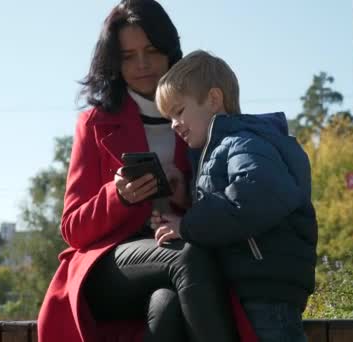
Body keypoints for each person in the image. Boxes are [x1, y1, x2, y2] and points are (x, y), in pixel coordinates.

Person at [37, 2, 256, 342]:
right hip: (110, 269)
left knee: (166, 305)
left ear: (170, 52)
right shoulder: (94, 124)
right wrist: (118, 194)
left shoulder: (204, 113)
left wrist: (187, 200)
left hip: (183, 267)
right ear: (114, 63)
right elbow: (72, 229)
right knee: (187, 256)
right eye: (127, 56)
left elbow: (235, 200)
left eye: (151, 51)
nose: (141, 64)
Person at [153, 50, 318, 341]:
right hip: (257, 285)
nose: (174, 124)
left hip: (267, 288)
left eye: (179, 111)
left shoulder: (243, 142)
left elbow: (253, 197)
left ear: (214, 100)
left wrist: (186, 226)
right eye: (169, 118)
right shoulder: (225, 148)